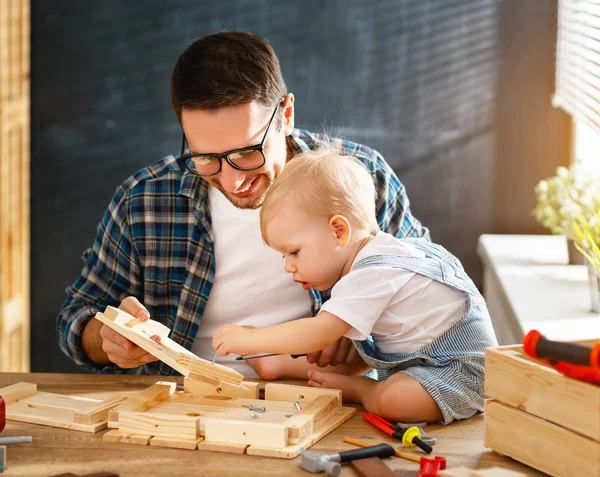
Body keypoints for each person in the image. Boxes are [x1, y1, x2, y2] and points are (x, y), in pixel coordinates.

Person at [56, 31, 429, 378]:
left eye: (247, 152)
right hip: (184, 408)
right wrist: (108, 337)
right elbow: (76, 315)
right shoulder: (144, 200)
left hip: (327, 406)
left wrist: (363, 334)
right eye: (206, 158)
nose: (233, 180)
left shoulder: (363, 179)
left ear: (285, 115)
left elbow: (429, 288)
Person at [212, 147, 498, 423]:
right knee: (354, 343)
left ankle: (363, 390)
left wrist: (251, 339)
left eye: (294, 252)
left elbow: (318, 332)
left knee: (391, 400)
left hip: (459, 373)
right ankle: (279, 362)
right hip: (420, 362)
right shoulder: (386, 253)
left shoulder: (372, 272)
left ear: (339, 231)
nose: (288, 266)